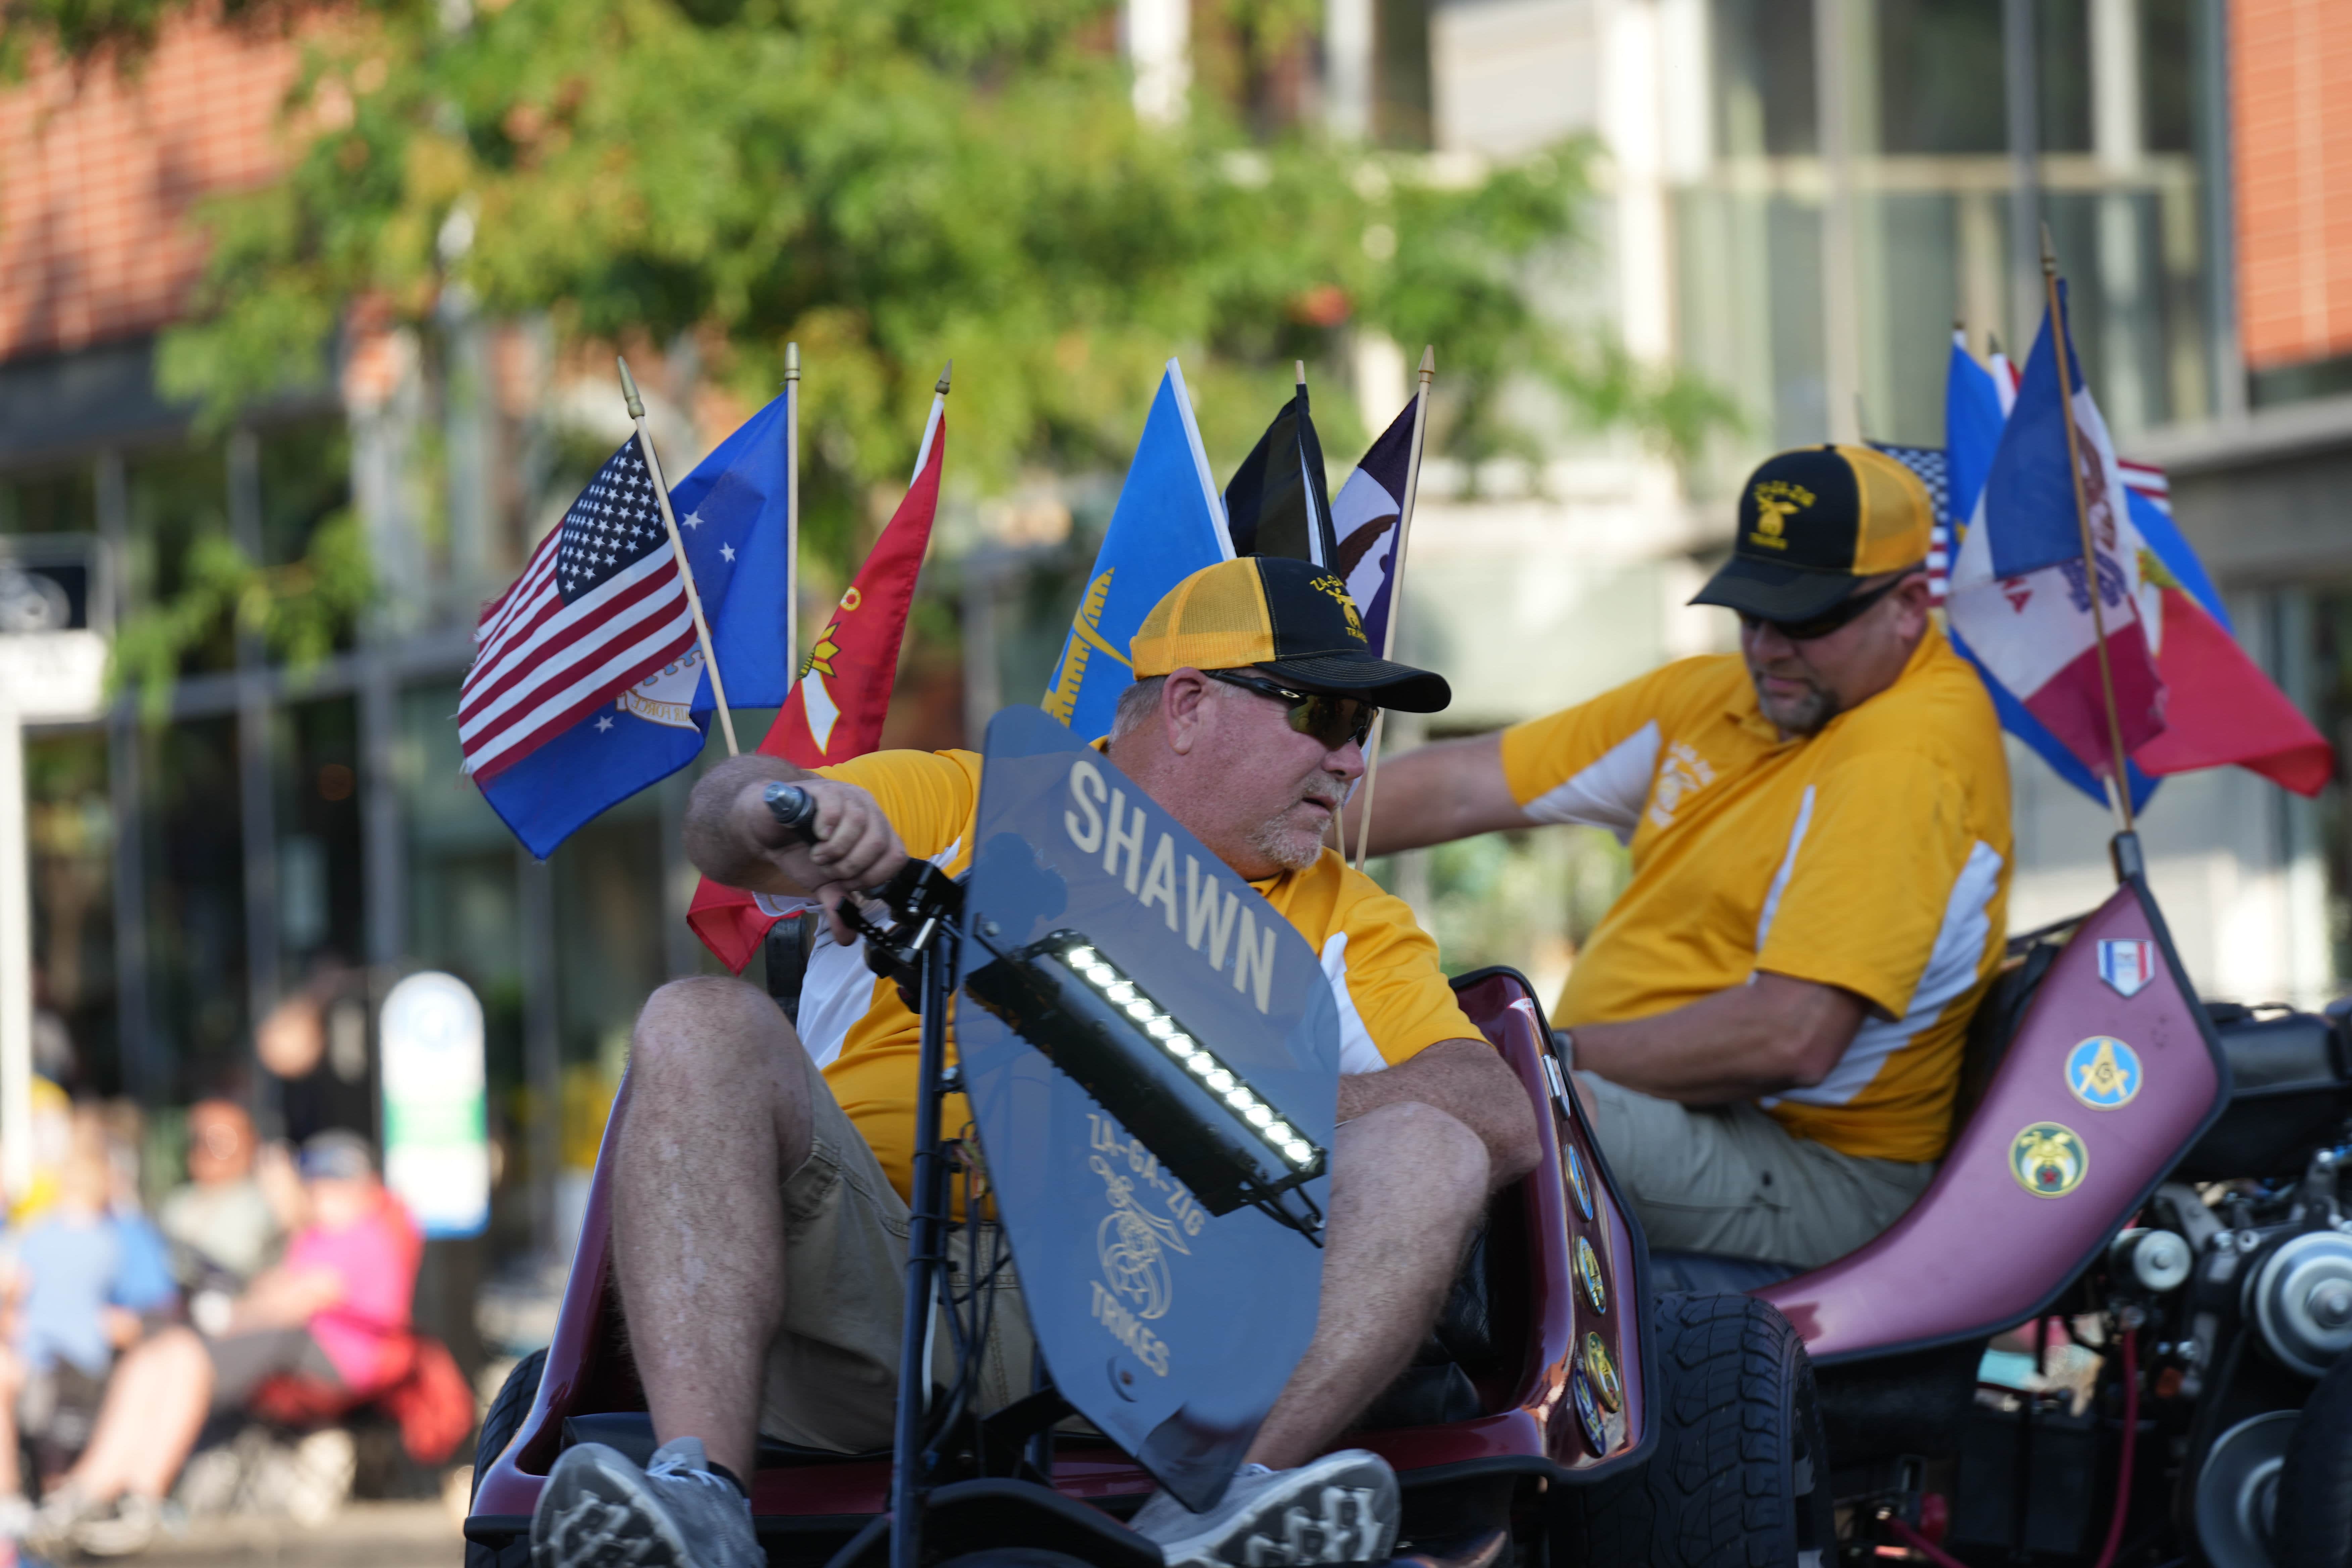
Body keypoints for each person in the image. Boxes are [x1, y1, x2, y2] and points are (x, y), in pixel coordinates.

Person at [532, 557, 1540, 1568]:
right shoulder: (967, 800)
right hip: (872, 1293)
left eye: (1363, 730)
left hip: (1163, 1323)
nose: (1354, 763)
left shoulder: (1344, 916)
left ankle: (1219, 1513)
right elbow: (723, 819)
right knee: (694, 1020)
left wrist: (1225, 1106)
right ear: (1188, 705)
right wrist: (784, 817)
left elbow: (1491, 1111)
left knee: (1430, 1149)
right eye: (1327, 716)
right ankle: (697, 1501)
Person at [1354, 444, 2012, 1271]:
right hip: (1667, 1105)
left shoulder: (1906, 755)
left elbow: (1790, 1037)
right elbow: (1460, 784)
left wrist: (1543, 1055)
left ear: (1910, 604)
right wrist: (1244, 816)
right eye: (1750, 610)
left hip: (1820, 1168)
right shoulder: (1718, 695)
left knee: (1486, 1111)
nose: (1768, 646)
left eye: (1805, 619)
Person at [29, 1130, 422, 1556]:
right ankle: (89, 1487)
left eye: (337, 1183)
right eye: (320, 1183)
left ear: (363, 1186)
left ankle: (142, 1494)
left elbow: (300, 1298)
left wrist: (228, 1317)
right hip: (293, 1341)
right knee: (158, 1353)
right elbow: (277, 1286)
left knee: (188, 1354)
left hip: (342, 1357)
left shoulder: (368, 1233)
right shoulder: (316, 1233)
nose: (325, 1192)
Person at [159, 1099, 292, 1302]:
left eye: (220, 1137)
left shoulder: (267, 1200)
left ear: (250, 1142)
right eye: (199, 1138)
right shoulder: (177, 1203)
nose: (207, 1147)